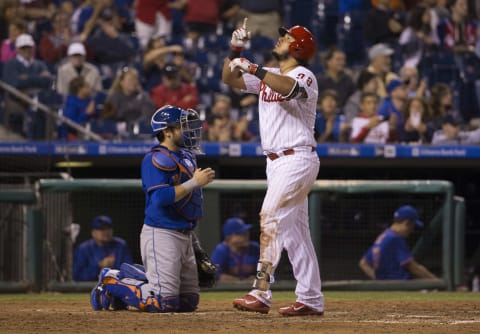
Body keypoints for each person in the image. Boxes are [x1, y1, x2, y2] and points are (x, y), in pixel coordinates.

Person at [222, 20, 324, 316]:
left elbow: (291, 90)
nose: (280, 39)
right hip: (276, 162)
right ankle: (310, 298)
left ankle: (261, 291)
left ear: (297, 47)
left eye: (286, 37)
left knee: (270, 217)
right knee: (295, 235)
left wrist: (253, 67)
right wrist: (235, 49)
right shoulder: (272, 75)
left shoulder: (304, 75)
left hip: (297, 158)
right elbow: (230, 79)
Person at [90, 105, 215, 313]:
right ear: (167, 131)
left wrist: (195, 244)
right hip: (162, 232)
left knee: (188, 302)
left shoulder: (186, 157)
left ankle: (132, 279)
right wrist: (194, 182)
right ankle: (112, 281)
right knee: (163, 302)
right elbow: (159, 198)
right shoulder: (155, 158)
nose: (188, 131)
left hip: (184, 233)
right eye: (182, 126)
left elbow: (186, 207)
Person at [359, 205, 439, 280]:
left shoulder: (384, 236)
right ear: (406, 223)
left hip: (388, 287)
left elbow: (364, 263)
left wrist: (379, 281)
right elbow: (414, 268)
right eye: (412, 226)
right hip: (399, 287)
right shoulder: (395, 238)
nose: (412, 230)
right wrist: (436, 281)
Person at [73, 215, 133, 281]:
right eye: (101, 229)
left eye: (108, 228)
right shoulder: (84, 248)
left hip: (116, 286)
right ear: (93, 233)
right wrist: (99, 266)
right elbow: (77, 276)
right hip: (89, 288)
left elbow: (129, 271)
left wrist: (112, 270)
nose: (106, 232)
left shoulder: (121, 246)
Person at [210, 217, 260, 283]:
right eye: (241, 233)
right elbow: (215, 275)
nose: (246, 235)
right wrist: (242, 282)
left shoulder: (255, 248)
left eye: (246, 232)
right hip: (227, 291)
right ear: (229, 237)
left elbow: (267, 273)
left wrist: (258, 278)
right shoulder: (221, 251)